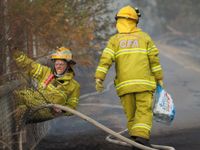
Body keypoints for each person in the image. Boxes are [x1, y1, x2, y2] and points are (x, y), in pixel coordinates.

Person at [95, 5, 164, 148]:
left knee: (131, 114)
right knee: (143, 112)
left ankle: (136, 142)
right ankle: (142, 140)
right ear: (135, 21)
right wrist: (159, 78)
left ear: (118, 21)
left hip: (124, 86)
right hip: (144, 84)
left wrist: (99, 77)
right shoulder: (145, 38)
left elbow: (105, 60)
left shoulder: (114, 40)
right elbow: (154, 61)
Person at [12, 47, 80, 126]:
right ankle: (17, 124)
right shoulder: (46, 72)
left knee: (23, 106)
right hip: (31, 104)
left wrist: (61, 110)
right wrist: (16, 53)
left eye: (61, 64)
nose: (58, 66)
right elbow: (30, 66)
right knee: (19, 95)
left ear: (68, 65)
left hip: (46, 112)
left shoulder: (74, 86)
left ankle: (19, 121)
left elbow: (72, 107)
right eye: (57, 63)